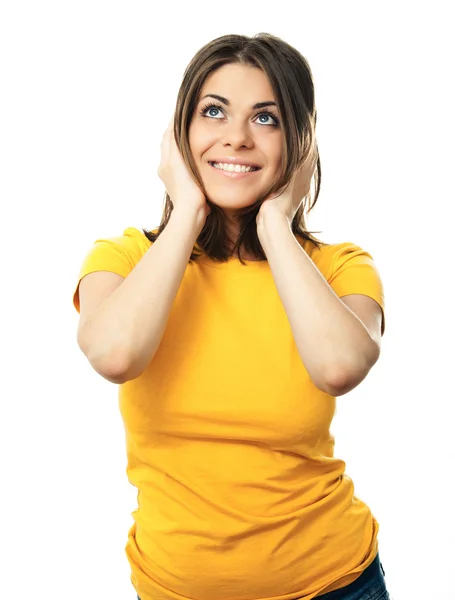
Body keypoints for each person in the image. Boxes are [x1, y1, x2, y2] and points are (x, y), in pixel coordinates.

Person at [73, 33, 391, 600]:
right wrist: (188, 211)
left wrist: (275, 222)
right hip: (174, 588)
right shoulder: (123, 259)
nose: (237, 138)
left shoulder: (341, 268)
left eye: (266, 118)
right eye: (213, 111)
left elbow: (339, 366)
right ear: (180, 134)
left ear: (300, 142)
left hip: (335, 584)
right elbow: (115, 355)